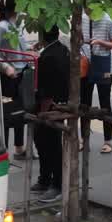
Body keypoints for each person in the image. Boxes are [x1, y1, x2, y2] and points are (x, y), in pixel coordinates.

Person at [32, 27, 69, 204]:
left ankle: (55, 184)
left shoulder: (47, 57)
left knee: (48, 144)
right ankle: (45, 179)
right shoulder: (62, 50)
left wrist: (43, 112)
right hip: (60, 104)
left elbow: (46, 87)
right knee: (47, 142)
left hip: (50, 107)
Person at [79, 12, 112, 154]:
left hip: (103, 65)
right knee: (84, 103)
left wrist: (100, 42)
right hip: (87, 65)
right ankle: (84, 139)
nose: (87, 11)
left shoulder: (108, 20)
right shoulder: (82, 18)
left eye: (89, 8)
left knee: (105, 102)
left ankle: (108, 141)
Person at [0, 0, 30, 156]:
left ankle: (19, 146)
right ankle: (5, 151)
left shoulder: (17, 24)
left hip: (21, 72)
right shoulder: (2, 27)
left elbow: (20, 47)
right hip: (9, 76)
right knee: (8, 113)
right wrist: (5, 67)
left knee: (19, 110)